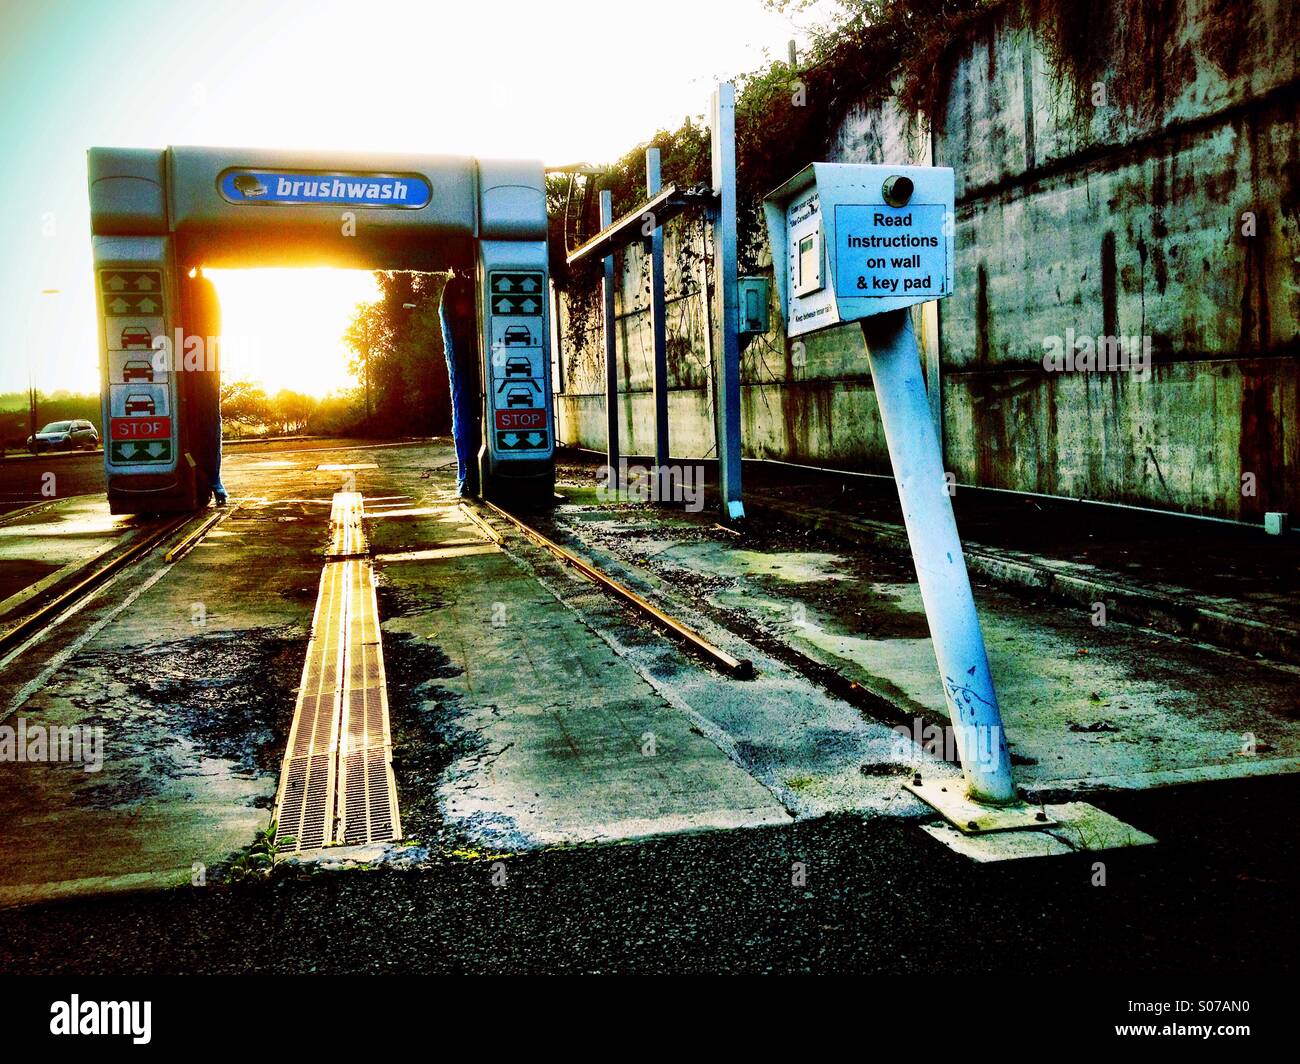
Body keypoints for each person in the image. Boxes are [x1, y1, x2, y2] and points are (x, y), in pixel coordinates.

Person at [438, 269, 482, 497]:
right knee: (465, 404)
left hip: (465, 367)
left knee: (463, 405)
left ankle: (467, 478)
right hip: (470, 364)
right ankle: (468, 477)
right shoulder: (460, 291)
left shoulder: (453, 292)